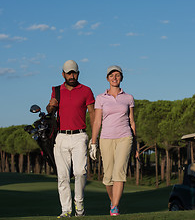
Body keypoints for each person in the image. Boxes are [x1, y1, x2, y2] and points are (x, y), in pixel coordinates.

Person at [46, 60, 95, 218]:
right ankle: (66, 210)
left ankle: (79, 204)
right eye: (69, 73)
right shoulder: (56, 90)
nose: (72, 76)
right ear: (63, 74)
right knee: (63, 177)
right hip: (61, 137)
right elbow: (50, 110)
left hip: (80, 135)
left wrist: (94, 139)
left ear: (78, 73)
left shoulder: (86, 90)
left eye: (74, 72)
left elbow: (93, 114)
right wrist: (50, 106)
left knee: (81, 172)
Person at [90, 65, 137, 216]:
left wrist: (135, 144)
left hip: (125, 137)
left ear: (121, 78)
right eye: (112, 75)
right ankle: (113, 202)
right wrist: (93, 142)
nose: (115, 78)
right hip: (106, 138)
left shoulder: (128, 97)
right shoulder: (100, 98)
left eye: (117, 75)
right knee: (108, 177)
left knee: (119, 172)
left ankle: (115, 207)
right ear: (107, 78)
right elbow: (97, 122)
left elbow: (132, 121)